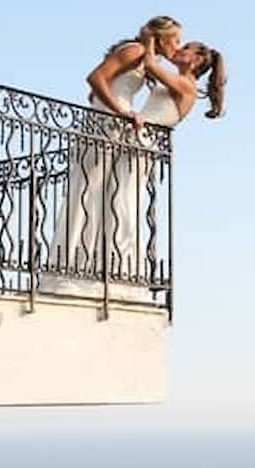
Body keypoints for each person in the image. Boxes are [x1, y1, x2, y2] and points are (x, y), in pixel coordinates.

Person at [58, 17, 183, 296]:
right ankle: (74, 270)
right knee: (90, 193)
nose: (178, 46)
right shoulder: (135, 50)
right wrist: (119, 110)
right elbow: (94, 78)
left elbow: (95, 92)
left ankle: (90, 267)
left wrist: (112, 107)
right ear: (161, 38)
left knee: (98, 195)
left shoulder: (143, 58)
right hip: (109, 123)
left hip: (110, 122)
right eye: (175, 40)